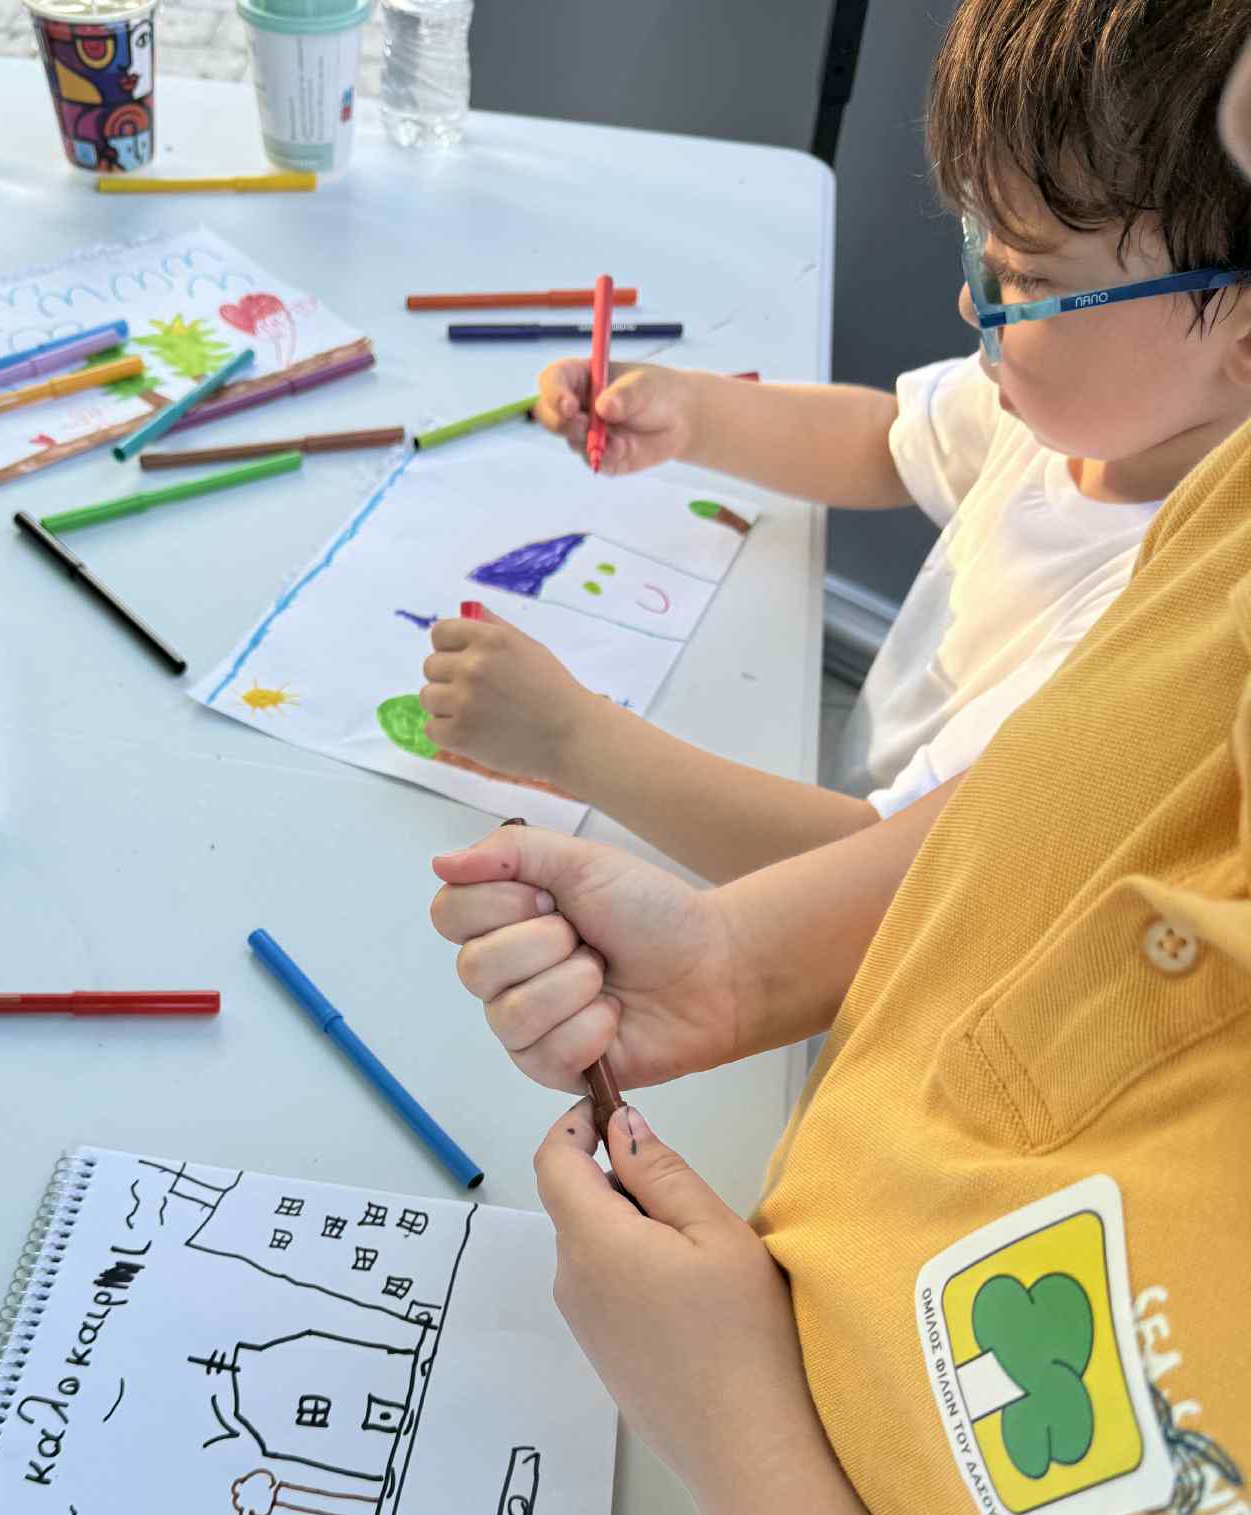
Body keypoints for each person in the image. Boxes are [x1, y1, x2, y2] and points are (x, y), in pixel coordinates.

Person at [427, 0, 1251, 1515]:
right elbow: (1044, 816)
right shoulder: (1210, 519)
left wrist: (740, 1438)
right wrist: (748, 958)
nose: (983, 310)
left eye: (1029, 275)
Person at [418, 0, 1251, 887]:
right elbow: (889, 442)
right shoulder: (1090, 418)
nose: (972, 302)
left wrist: (570, 739)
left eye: (1027, 277)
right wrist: (692, 412)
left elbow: (869, 886)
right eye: (982, 250)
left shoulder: (1152, 627)